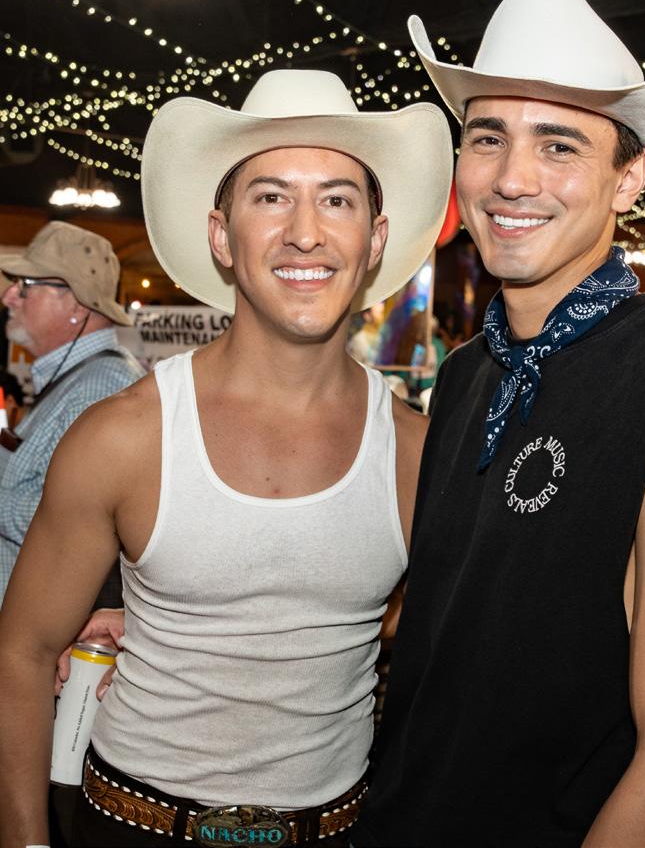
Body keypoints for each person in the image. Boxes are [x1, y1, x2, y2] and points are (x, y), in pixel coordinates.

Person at [352, 0, 645, 847]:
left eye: (559, 144)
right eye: (488, 137)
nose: (512, 178)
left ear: (630, 176)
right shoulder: (467, 373)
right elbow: (460, 616)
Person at [0, 69, 451, 847]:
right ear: (221, 234)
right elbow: (23, 648)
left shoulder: (416, 450)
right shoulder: (124, 435)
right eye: (271, 196)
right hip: (130, 826)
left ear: (375, 238)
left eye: (337, 199)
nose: (305, 232)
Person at [0, 222, 144, 602]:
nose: (10, 296)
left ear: (76, 306)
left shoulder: (98, 391)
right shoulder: (82, 379)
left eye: (26, 286)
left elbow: (68, 527)